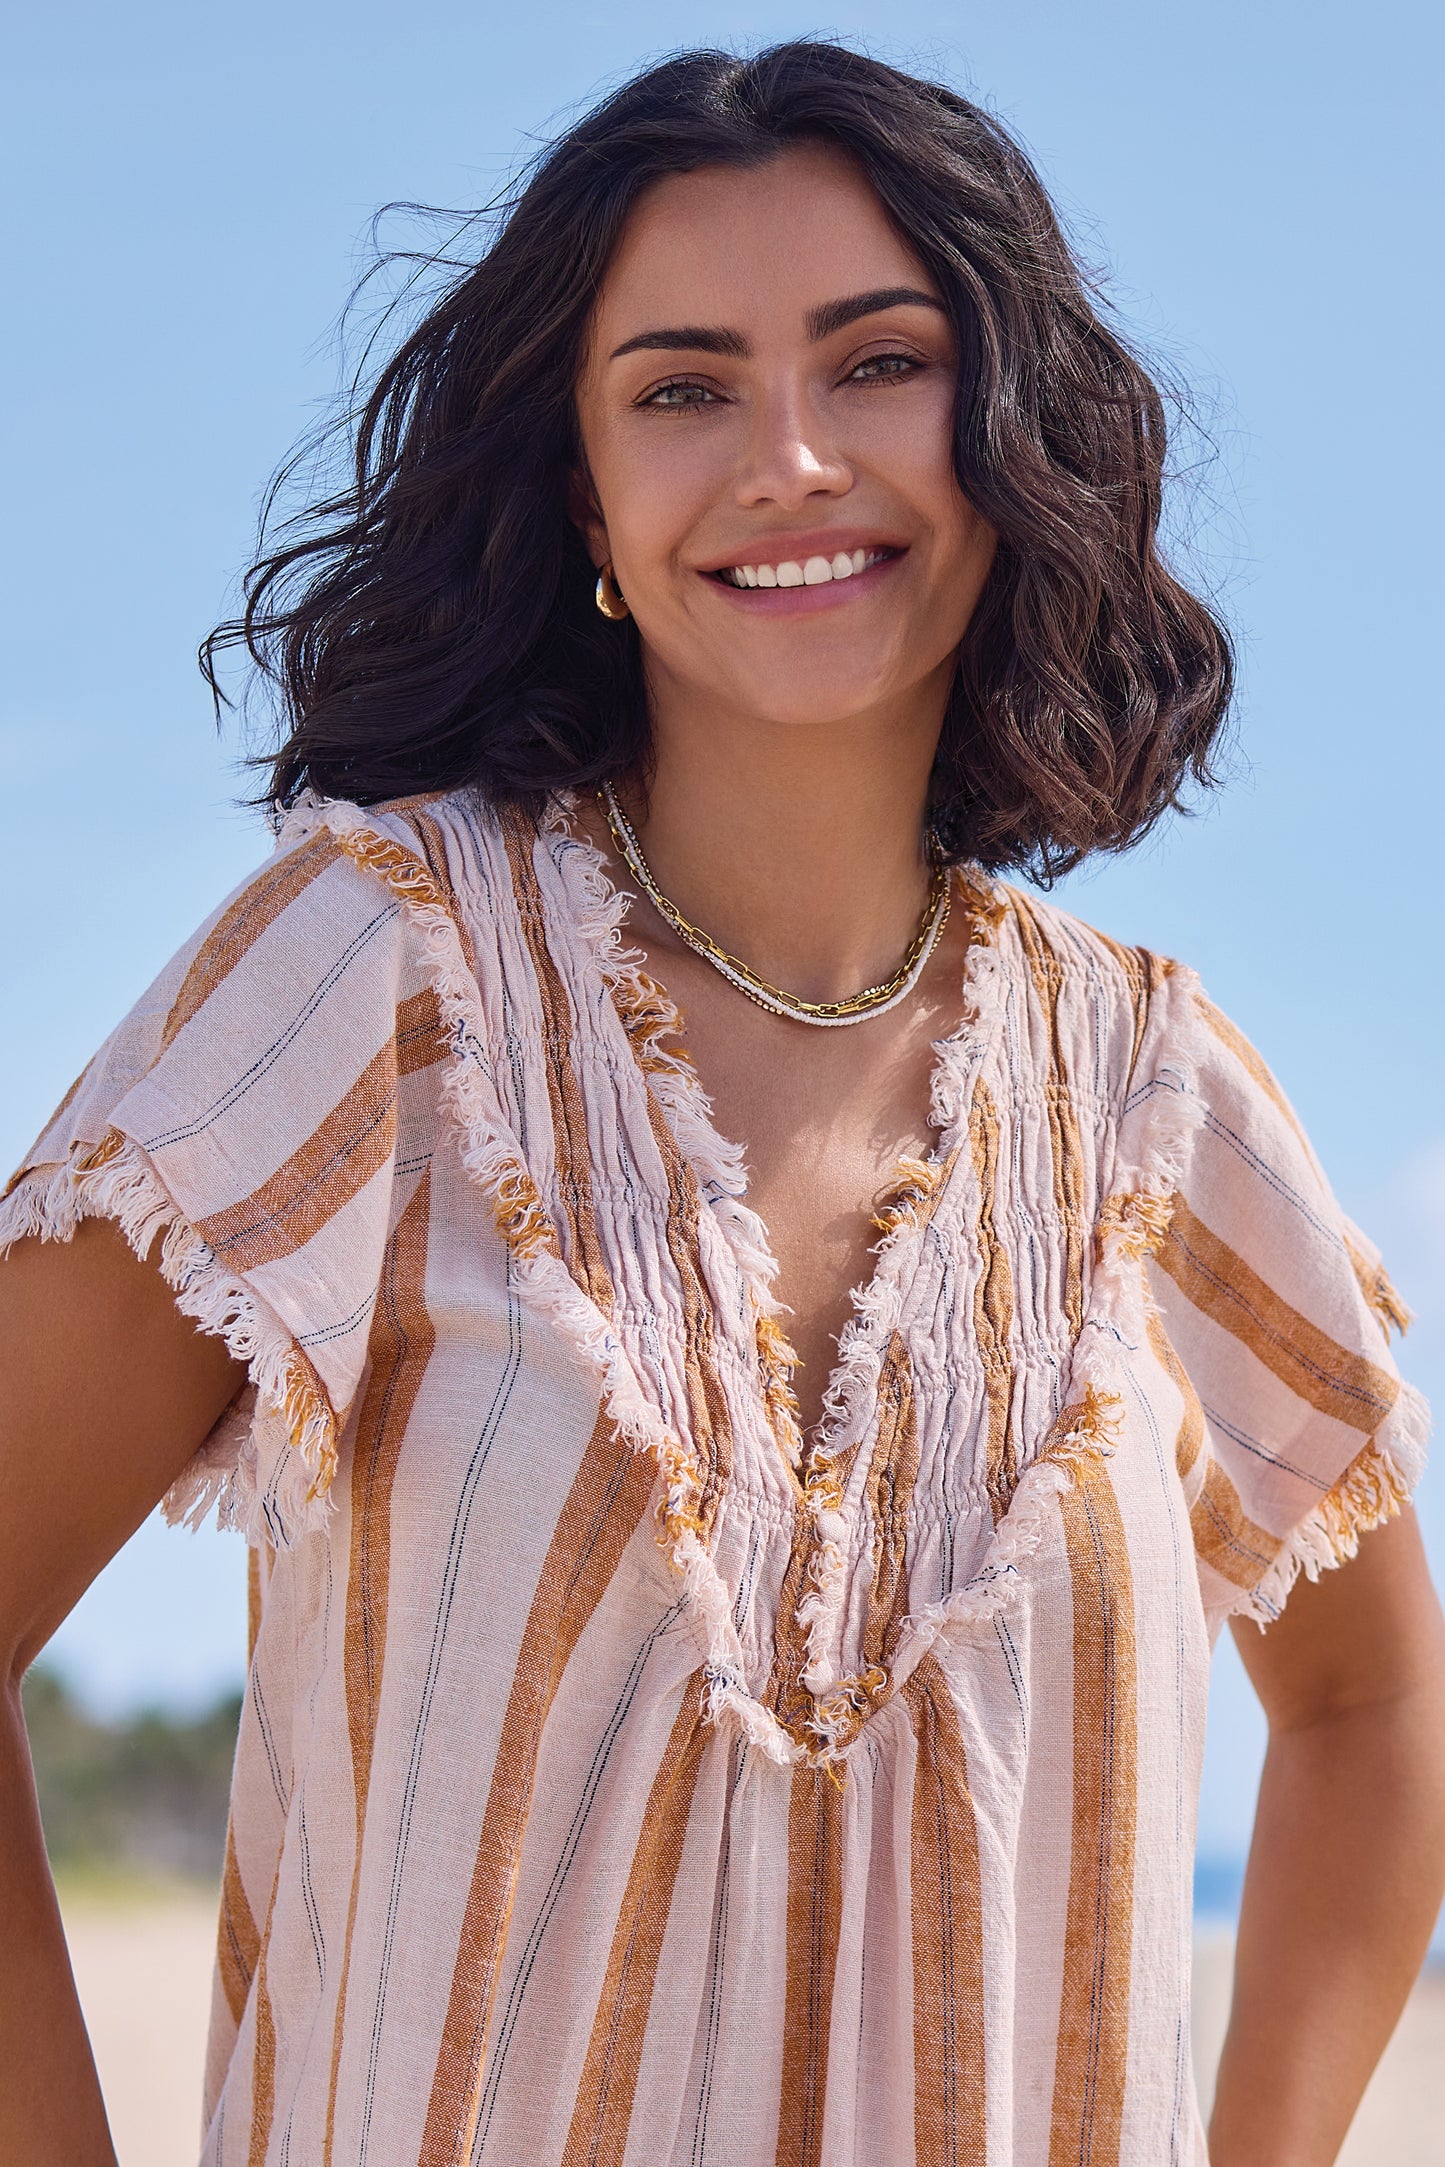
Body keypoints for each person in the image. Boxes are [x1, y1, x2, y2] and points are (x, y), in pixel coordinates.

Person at [1, 40, 1441, 2167]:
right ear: (588, 498)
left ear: (1005, 433)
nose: (788, 456)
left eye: (877, 363)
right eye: (684, 388)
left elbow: (1375, 1699)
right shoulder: (378, 979)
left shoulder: (1153, 1096)